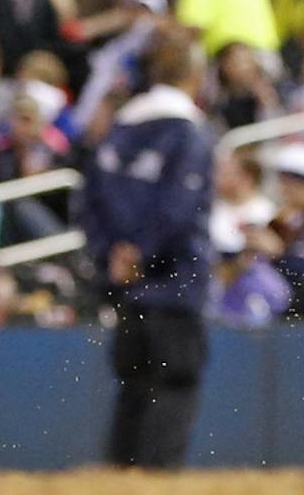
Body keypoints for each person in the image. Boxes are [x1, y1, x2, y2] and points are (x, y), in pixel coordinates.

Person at [79, 40, 215, 470]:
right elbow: (180, 207)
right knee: (175, 383)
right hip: (173, 285)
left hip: (127, 290)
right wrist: (142, 253)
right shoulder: (187, 133)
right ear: (192, 77)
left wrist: (113, 256)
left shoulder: (117, 133)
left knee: (134, 387)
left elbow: (88, 203)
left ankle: (119, 478)